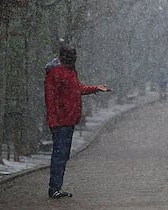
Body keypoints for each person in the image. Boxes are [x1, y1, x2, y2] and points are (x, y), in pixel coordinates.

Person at [44, 44, 109, 199]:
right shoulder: (55, 72)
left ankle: (56, 187)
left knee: (63, 155)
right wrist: (53, 121)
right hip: (61, 121)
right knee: (59, 155)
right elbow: (50, 98)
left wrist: (95, 88)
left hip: (69, 119)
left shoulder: (69, 70)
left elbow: (76, 89)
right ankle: (54, 188)